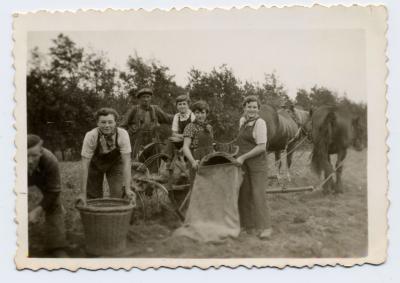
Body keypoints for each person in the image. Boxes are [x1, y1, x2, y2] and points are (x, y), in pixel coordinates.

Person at [235, 95, 272, 239]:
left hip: (257, 164)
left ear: (258, 109)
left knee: (258, 194)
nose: (251, 109)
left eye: (254, 107)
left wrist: (243, 157)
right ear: (244, 107)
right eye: (249, 107)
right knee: (243, 193)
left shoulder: (260, 123)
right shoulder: (242, 121)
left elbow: (262, 147)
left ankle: (266, 227)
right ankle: (247, 225)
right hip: (244, 164)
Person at [80, 108, 134, 202]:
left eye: (110, 122)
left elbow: (127, 163)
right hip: (95, 165)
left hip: (115, 164)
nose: (107, 125)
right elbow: (85, 166)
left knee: (117, 195)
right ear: (97, 123)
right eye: (103, 122)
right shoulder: (91, 136)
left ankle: (116, 215)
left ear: (115, 122)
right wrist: (82, 193)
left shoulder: (123, 135)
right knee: (93, 198)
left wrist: (128, 189)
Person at [27, 134, 68, 257]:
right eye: (25, 155)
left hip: (41, 176)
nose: (29, 161)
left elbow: (53, 192)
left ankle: (56, 245)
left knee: (54, 204)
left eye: (34, 155)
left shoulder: (50, 160)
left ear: (41, 151)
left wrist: (37, 211)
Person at [120, 87, 173, 159]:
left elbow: (167, 118)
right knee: (136, 164)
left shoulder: (155, 109)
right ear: (139, 99)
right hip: (137, 142)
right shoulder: (134, 110)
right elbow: (122, 126)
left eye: (148, 97)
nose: (146, 99)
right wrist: (124, 141)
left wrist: (180, 116)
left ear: (151, 98)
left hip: (153, 140)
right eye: (143, 97)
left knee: (154, 163)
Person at [182, 100, 214, 179]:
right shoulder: (190, 127)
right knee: (197, 187)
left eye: (202, 113)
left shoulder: (209, 127)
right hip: (197, 160)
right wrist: (193, 161)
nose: (200, 115)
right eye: (197, 113)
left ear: (206, 113)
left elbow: (211, 145)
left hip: (210, 160)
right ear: (194, 113)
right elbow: (185, 147)